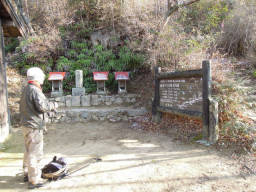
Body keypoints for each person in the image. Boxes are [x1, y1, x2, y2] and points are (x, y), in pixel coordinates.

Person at [20, 67, 58, 189]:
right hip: (34, 125)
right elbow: (42, 107)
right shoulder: (35, 90)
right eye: (41, 75)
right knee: (35, 153)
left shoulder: (26, 89)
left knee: (28, 150)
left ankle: (27, 172)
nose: (43, 77)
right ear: (36, 77)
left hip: (26, 124)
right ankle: (34, 179)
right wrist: (53, 105)